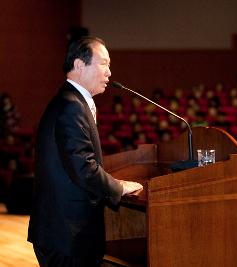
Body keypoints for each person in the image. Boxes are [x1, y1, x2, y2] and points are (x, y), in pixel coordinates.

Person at [28, 36, 143, 267]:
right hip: (67, 234)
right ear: (80, 65)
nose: (109, 72)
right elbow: (83, 166)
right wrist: (118, 187)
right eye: (104, 63)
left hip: (62, 231)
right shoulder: (71, 106)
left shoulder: (70, 101)